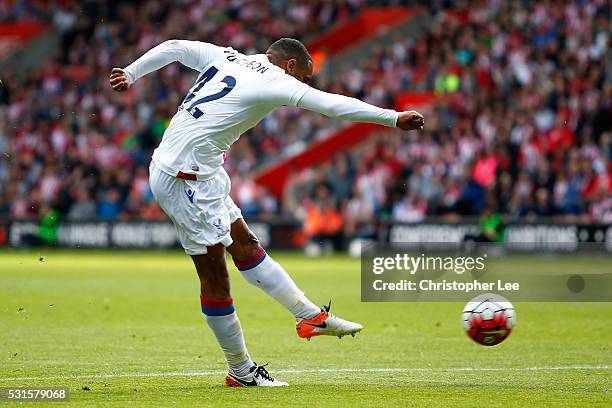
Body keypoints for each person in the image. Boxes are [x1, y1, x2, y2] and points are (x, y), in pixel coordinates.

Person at [110, 38, 424, 387]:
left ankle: (310, 316)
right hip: (184, 179)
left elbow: (174, 46)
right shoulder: (275, 79)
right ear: (290, 66)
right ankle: (241, 371)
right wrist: (393, 118)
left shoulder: (226, 55)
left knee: (246, 245)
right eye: (304, 77)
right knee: (215, 277)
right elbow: (332, 105)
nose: (303, 86)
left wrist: (131, 72)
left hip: (203, 172)